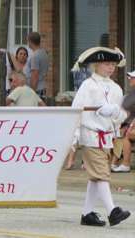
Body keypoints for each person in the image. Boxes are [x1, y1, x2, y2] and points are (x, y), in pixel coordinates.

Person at [71, 46, 130, 227]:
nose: (111, 67)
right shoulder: (88, 85)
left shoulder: (116, 88)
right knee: (102, 174)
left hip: (107, 138)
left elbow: (122, 116)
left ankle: (87, 213)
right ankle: (112, 211)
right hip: (90, 135)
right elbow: (76, 110)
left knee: (96, 177)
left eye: (113, 64)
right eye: (106, 64)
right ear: (96, 65)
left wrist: (114, 112)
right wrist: (74, 136)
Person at [111, 70, 135, 172]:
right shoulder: (130, 94)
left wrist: (131, 125)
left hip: (130, 125)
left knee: (127, 135)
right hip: (126, 124)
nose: (129, 79)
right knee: (118, 133)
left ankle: (125, 164)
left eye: (132, 78)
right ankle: (114, 163)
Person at [27, 32, 49, 100]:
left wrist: (32, 92)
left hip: (37, 89)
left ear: (30, 41)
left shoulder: (35, 56)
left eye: (27, 41)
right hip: (42, 86)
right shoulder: (43, 53)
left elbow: (35, 75)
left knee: (34, 110)